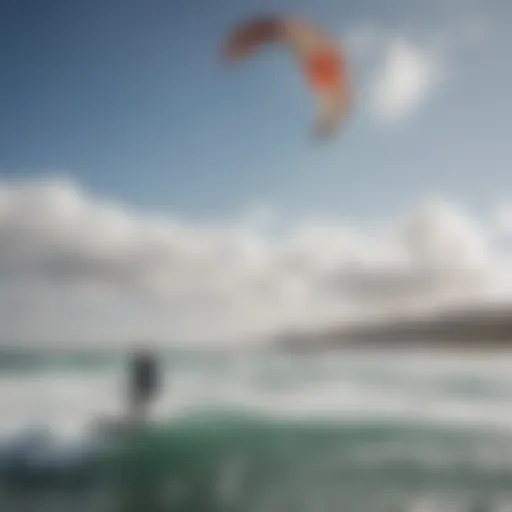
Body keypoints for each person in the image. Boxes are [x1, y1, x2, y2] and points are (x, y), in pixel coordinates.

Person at [127, 347, 160, 428]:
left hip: (143, 388)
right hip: (143, 388)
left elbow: (152, 379)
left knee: (141, 407)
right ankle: (140, 424)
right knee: (141, 407)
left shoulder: (144, 365)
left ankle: (140, 424)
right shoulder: (145, 365)